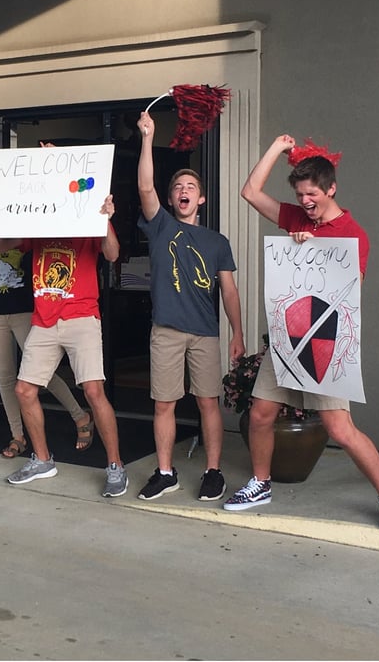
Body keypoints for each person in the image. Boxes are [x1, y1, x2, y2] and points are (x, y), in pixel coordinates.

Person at [223, 134, 379, 533]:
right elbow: (250, 192)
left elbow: (346, 294)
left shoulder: (353, 234)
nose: (306, 201)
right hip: (287, 337)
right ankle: (261, 484)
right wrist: (276, 146)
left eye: (313, 193)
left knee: (340, 428)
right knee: (261, 414)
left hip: (324, 342)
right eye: (300, 193)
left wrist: (312, 249)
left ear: (332, 188)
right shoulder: (298, 219)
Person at [0, 189, 128, 497]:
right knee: (24, 390)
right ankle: (41, 459)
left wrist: (106, 219)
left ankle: (115, 466)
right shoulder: (38, 223)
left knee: (93, 390)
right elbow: (1, 245)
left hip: (81, 314)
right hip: (44, 318)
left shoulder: (86, 215)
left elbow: (112, 253)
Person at [135, 111, 245, 501]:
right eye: (177, 186)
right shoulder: (161, 224)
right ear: (171, 198)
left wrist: (237, 333)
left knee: (207, 403)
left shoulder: (217, 242)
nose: (183, 190)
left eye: (190, 186)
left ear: (200, 198)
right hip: (165, 329)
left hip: (204, 332)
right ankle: (166, 472)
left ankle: (213, 471)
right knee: (163, 404)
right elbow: (145, 187)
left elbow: (228, 291)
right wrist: (148, 137)